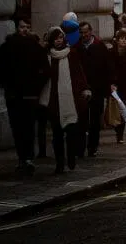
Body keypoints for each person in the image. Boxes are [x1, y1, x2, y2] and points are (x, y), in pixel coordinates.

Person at [0, 19, 49, 175]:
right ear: (17, 28)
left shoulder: (35, 47)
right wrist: (7, 86)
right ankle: (23, 157)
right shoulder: (7, 47)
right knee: (17, 128)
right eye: (22, 27)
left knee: (28, 128)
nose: (25, 30)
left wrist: (36, 88)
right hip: (14, 95)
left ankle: (28, 158)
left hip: (30, 95)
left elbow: (45, 71)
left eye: (28, 27)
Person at [39, 27, 90, 174]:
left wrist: (84, 88)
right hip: (54, 100)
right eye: (56, 38)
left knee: (72, 131)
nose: (59, 40)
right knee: (57, 135)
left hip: (70, 99)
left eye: (61, 37)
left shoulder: (71, 54)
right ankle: (60, 163)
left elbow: (79, 73)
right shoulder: (48, 56)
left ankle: (71, 157)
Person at [76, 21, 115, 158]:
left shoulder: (100, 46)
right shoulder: (77, 47)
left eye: (86, 32)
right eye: (81, 32)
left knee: (94, 121)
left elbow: (108, 67)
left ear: (91, 31)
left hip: (97, 89)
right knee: (81, 120)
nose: (84, 35)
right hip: (81, 89)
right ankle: (80, 148)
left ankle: (92, 147)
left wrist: (109, 84)